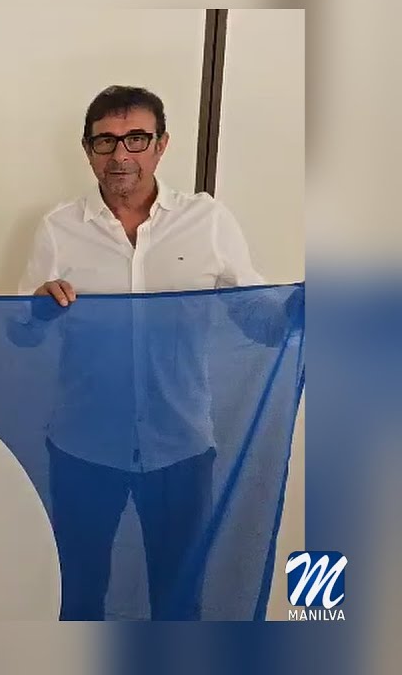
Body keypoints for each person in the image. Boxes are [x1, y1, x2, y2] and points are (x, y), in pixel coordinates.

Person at [20, 85, 271, 620]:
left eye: (136, 138)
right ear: (87, 151)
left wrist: (309, 306)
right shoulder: (58, 229)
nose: (120, 155)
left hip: (180, 445)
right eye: (105, 142)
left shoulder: (208, 221)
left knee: (180, 602)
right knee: (77, 597)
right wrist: (35, 311)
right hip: (83, 446)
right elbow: (25, 336)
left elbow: (257, 316)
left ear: (161, 145)